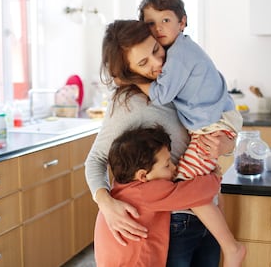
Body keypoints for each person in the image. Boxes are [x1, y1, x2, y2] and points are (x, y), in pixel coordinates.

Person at [85, 20, 238, 266]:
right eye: (143, 63)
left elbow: (219, 132)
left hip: (208, 213)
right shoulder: (128, 104)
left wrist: (227, 146)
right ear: (128, 71)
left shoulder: (184, 82)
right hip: (173, 223)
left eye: (156, 49)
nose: (158, 63)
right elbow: (96, 160)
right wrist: (106, 203)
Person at [137, 0, 244, 180]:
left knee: (186, 180)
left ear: (182, 22)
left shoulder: (179, 54)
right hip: (212, 122)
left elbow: (161, 95)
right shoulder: (182, 49)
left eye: (166, 20)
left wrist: (133, 80)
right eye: (150, 23)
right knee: (202, 180)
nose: (158, 28)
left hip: (212, 127)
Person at [94, 124, 222, 266]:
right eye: (167, 165)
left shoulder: (119, 187)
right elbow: (194, 192)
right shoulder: (146, 192)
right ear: (142, 175)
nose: (174, 168)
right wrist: (215, 177)